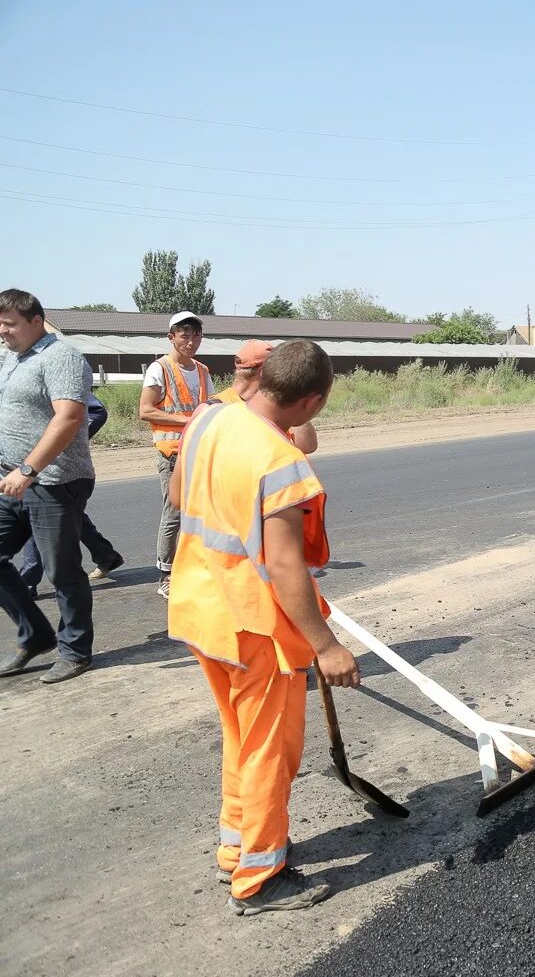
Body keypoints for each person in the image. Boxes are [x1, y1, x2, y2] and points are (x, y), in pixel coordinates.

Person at [167, 339, 360, 915]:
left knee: (242, 737)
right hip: (254, 627)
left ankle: (237, 847)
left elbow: (178, 496)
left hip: (201, 608)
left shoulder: (208, 419)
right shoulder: (281, 463)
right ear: (312, 401)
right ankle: (259, 878)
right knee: (271, 750)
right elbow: (282, 563)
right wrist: (326, 647)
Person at [0, 289, 98, 684]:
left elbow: (70, 417)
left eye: (10, 325)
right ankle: (37, 634)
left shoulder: (62, 358)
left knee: (63, 572)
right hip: (11, 479)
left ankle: (75, 651)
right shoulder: (11, 358)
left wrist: (28, 468)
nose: (3, 332)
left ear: (36, 321)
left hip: (56, 481)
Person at [15, 363, 123, 595]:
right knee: (67, 511)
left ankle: (28, 581)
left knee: (36, 514)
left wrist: (63, 443)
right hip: (20, 462)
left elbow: (96, 411)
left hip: (49, 463)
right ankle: (105, 555)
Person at [139, 311, 214, 598]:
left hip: (201, 452)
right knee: (174, 514)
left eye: (196, 336)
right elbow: (145, 410)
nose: (191, 341)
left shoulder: (203, 371)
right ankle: (167, 575)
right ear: (172, 338)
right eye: (185, 336)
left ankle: (195, 566)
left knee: (203, 513)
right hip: (173, 455)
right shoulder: (160, 369)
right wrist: (189, 420)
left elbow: (212, 406)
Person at [201, 340, 318, 454]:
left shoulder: (276, 406)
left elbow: (307, 445)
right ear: (263, 371)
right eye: (279, 370)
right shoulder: (215, 408)